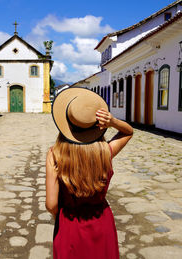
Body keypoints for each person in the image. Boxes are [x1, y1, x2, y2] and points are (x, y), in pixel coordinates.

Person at [46, 87, 133, 259]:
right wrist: (112, 121)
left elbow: (51, 204)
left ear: (66, 124)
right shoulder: (106, 151)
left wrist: (63, 215)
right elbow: (128, 132)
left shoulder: (55, 155)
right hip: (101, 221)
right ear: (97, 126)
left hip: (69, 223)